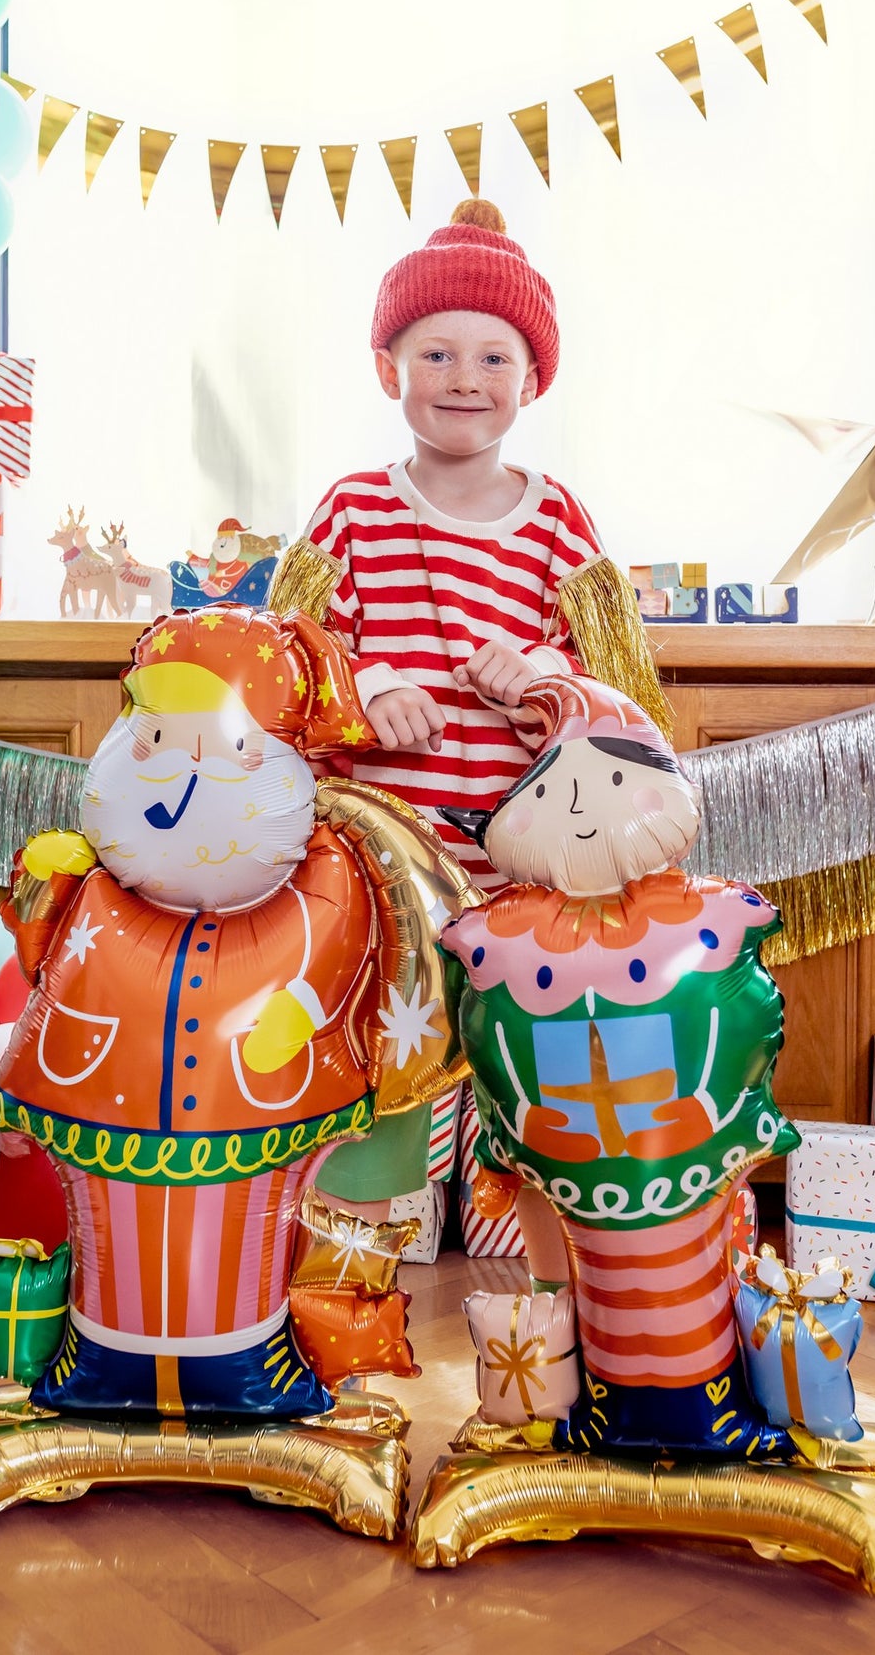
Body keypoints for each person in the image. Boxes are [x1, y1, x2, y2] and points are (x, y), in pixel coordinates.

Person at [269, 198, 665, 1272]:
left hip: (512, 874)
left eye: (493, 355)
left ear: (531, 381)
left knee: (532, 1083)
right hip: (377, 871)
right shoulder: (353, 512)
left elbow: (616, 709)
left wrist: (543, 675)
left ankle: (550, 1307)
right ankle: (353, 1303)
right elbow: (289, 666)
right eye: (433, 349)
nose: (462, 375)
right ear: (384, 365)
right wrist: (371, 680)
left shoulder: (556, 523)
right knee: (378, 1077)